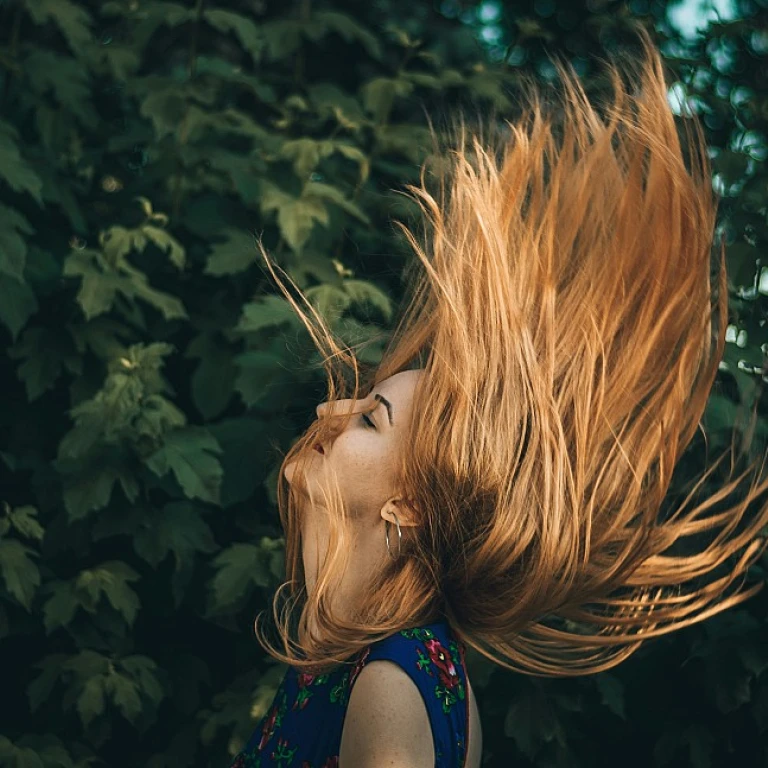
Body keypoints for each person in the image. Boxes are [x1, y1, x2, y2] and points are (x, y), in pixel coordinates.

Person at [229, 25, 768, 768]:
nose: (337, 411)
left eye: (372, 417)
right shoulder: (385, 664)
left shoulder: (385, 687)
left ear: (406, 507)